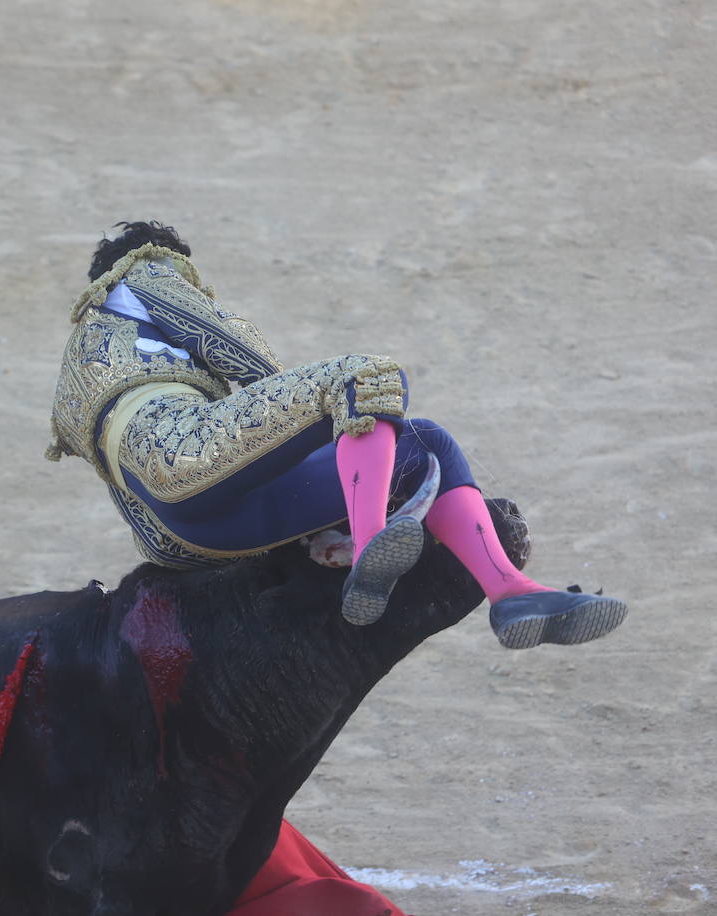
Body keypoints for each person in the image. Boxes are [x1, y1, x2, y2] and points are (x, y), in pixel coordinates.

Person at [46, 221, 627, 648]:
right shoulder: (144, 275)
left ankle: (512, 594)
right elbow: (241, 353)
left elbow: (135, 483)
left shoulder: (79, 370)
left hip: (187, 533)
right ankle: (371, 544)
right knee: (364, 380)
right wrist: (337, 430)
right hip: (187, 455)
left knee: (426, 443)